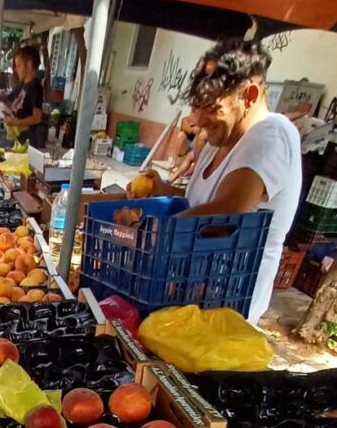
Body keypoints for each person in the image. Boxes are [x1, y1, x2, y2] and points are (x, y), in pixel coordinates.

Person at [128, 40, 302, 324]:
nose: (199, 119)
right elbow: (200, 204)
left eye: (211, 107)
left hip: (227, 308)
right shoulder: (218, 141)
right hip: (189, 295)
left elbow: (226, 216)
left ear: (249, 96)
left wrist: (150, 231)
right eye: (197, 107)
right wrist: (164, 191)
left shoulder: (271, 135)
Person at [4, 45, 45, 148]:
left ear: (29, 64)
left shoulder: (35, 86)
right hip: (17, 138)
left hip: (29, 140)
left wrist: (16, 122)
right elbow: (9, 99)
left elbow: (36, 118)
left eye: (18, 66)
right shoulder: (21, 85)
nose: (15, 69)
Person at [169, 113, 207, 184]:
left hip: (198, 150)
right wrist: (194, 129)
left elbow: (201, 135)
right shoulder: (185, 120)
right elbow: (188, 129)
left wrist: (198, 129)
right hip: (187, 146)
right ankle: (174, 163)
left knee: (200, 138)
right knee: (181, 135)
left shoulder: (204, 125)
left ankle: (173, 179)